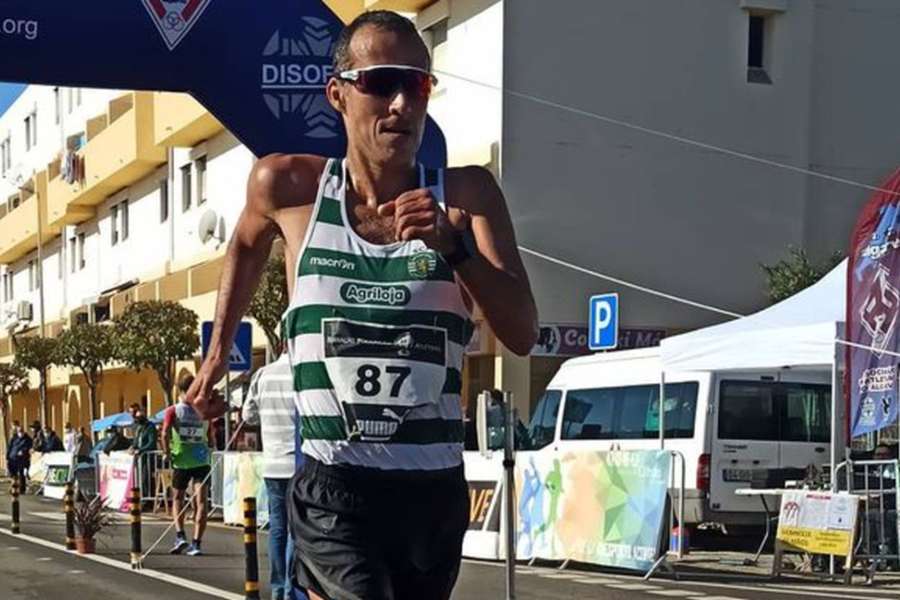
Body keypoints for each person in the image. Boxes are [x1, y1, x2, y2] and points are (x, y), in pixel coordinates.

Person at [186, 10, 538, 599]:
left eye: (417, 84)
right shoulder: (289, 188)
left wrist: (453, 248)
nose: (401, 103)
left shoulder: (465, 196)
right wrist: (217, 354)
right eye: (381, 83)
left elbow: (523, 332)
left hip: (431, 489)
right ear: (339, 95)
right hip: (335, 483)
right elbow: (244, 246)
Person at [242, 354, 304, 600]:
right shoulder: (301, 373)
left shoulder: (262, 375)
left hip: (273, 463)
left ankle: (278, 588)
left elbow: (248, 415)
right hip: (299, 464)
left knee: (277, 529)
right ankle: (291, 589)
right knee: (295, 531)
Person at [162, 374, 214, 557]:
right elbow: (212, 437)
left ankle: (180, 535)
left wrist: (167, 452)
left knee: (178, 498)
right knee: (201, 502)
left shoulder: (173, 410)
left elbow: (164, 433)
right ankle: (197, 543)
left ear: (178, 389)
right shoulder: (204, 410)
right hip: (201, 460)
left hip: (181, 460)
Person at [129, 402, 158, 499]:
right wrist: (132, 447)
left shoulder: (150, 427)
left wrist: (141, 450)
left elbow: (151, 443)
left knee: (146, 478)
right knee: (139, 478)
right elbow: (136, 441)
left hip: (147, 458)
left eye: (139, 418)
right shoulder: (138, 427)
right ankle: (141, 497)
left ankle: (147, 499)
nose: (137, 420)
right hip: (139, 458)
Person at [6, 424, 32, 493]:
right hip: (12, 458)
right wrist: (7, 456)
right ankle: (13, 487)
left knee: (21, 474)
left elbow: (29, 447)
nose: (20, 433)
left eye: (21, 431)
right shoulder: (14, 438)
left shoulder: (27, 439)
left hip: (22, 459)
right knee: (12, 474)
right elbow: (10, 447)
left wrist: (23, 451)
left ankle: (21, 489)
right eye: (19, 431)